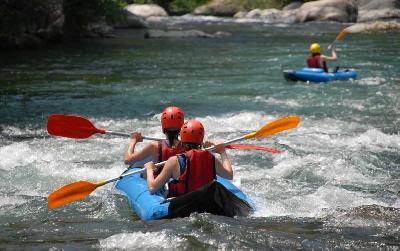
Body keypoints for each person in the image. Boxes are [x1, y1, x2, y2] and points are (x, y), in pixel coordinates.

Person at [145, 120, 233, 196]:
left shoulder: (174, 161)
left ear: (182, 138)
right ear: (201, 139)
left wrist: (149, 169)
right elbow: (229, 175)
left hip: (182, 205)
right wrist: (222, 152)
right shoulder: (211, 158)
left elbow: (152, 188)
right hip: (207, 201)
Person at [124, 106, 186, 172]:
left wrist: (133, 141)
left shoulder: (154, 146)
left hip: (160, 181)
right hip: (179, 181)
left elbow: (127, 160)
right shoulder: (187, 146)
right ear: (181, 127)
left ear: (163, 128)